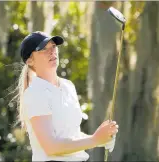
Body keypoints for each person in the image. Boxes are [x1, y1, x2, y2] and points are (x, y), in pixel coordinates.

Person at [17, 31, 119, 162]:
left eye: (53, 46)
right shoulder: (35, 93)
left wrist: (100, 139)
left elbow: (71, 136)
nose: (52, 52)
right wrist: (94, 140)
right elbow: (51, 147)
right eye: (43, 49)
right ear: (30, 60)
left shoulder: (68, 86)